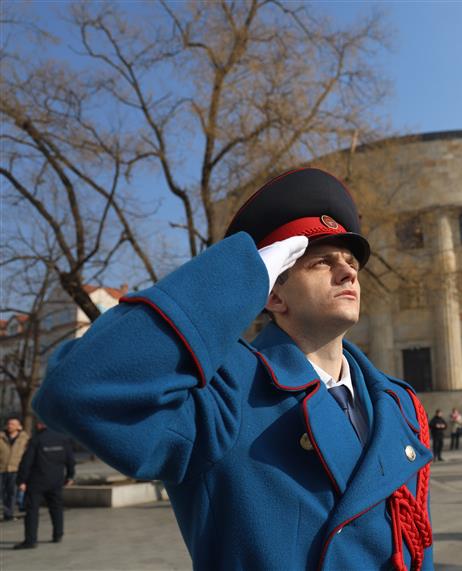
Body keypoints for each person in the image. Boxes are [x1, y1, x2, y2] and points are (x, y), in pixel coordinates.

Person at [32, 168, 434, 570]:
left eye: (351, 263)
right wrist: (243, 275)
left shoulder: (397, 403)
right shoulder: (227, 391)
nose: (348, 272)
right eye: (322, 262)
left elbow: (416, 544)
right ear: (273, 294)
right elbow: (75, 389)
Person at [14, 420, 75, 549]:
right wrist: (70, 476)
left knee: (32, 510)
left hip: (36, 481)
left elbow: (27, 462)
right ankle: (58, 534)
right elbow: (70, 460)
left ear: (41, 425)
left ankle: (31, 540)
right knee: (57, 508)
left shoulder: (37, 440)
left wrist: (21, 480)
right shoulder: (64, 439)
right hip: (56, 480)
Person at [1, 416, 29, 521]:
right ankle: (7, 511)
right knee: (3, 492)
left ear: (19, 427)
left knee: (12, 492)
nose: (9, 426)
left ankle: (9, 513)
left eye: (12, 424)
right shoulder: (1, 437)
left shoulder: (24, 439)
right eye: (8, 424)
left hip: (16, 469)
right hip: (2, 468)